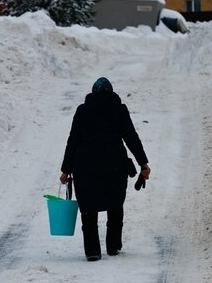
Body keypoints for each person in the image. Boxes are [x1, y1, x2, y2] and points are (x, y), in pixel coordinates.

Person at [59, 77, 150, 261]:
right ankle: (113, 246)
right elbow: (131, 137)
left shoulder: (83, 111)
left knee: (88, 209)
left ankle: (92, 251)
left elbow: (73, 141)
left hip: (85, 167)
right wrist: (143, 163)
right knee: (115, 204)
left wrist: (65, 169)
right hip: (114, 166)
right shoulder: (119, 110)